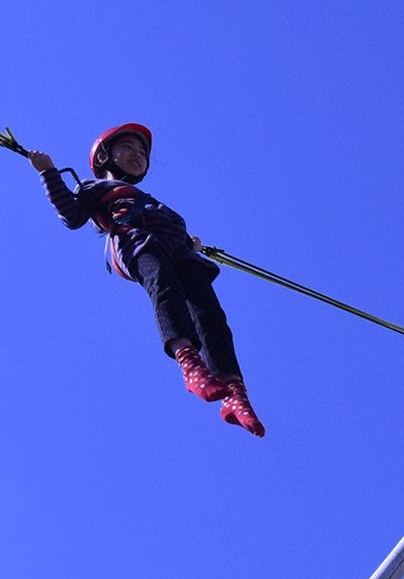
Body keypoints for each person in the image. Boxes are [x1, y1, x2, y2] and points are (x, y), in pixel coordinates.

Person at [26, 123, 265, 437]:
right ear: (105, 157)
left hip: (179, 251)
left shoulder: (156, 203)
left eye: (142, 153)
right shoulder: (94, 188)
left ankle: (234, 391)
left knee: (211, 313)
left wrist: (189, 243)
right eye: (128, 148)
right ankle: (189, 362)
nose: (137, 155)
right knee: (162, 282)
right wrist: (47, 172)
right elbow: (72, 216)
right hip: (137, 242)